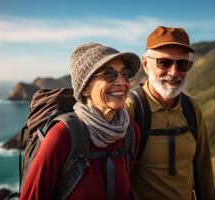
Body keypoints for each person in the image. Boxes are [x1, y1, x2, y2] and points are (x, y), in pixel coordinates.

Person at [20, 42, 141, 200]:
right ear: (84, 88)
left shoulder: (130, 132)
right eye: (109, 74)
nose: (122, 82)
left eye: (125, 74)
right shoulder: (63, 135)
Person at [126, 26, 215, 200]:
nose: (174, 72)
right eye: (164, 63)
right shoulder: (130, 109)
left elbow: (203, 167)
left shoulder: (192, 109)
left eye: (182, 64)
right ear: (146, 64)